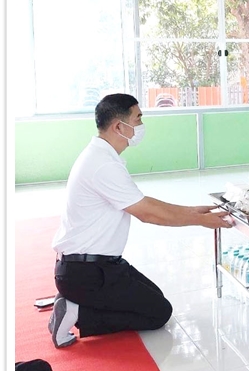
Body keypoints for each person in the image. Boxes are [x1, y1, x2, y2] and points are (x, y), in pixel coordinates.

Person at [50, 94, 233, 349]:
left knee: (153, 297)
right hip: (86, 272)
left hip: (93, 265)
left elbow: (145, 203)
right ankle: (77, 310)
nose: (140, 126)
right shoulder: (103, 165)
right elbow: (148, 213)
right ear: (118, 126)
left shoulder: (101, 155)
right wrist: (200, 220)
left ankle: (76, 299)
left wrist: (194, 211)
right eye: (138, 119)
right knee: (159, 313)